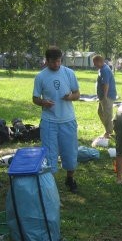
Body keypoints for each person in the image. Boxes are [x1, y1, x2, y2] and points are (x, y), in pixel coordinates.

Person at [32, 46, 81, 193]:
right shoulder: (40, 77)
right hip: (49, 122)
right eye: (53, 62)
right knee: (49, 154)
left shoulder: (69, 73)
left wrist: (70, 97)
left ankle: (70, 179)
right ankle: (51, 186)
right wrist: (43, 103)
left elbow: (77, 94)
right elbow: (35, 98)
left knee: (70, 152)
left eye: (59, 61)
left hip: (68, 120)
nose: (57, 65)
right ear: (47, 61)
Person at [94, 54, 117, 139]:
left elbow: (106, 84)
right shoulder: (101, 69)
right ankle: (110, 129)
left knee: (107, 114)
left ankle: (109, 132)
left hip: (107, 96)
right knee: (100, 112)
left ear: (100, 62)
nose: (94, 65)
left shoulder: (104, 70)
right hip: (102, 96)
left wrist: (105, 96)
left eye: (95, 63)